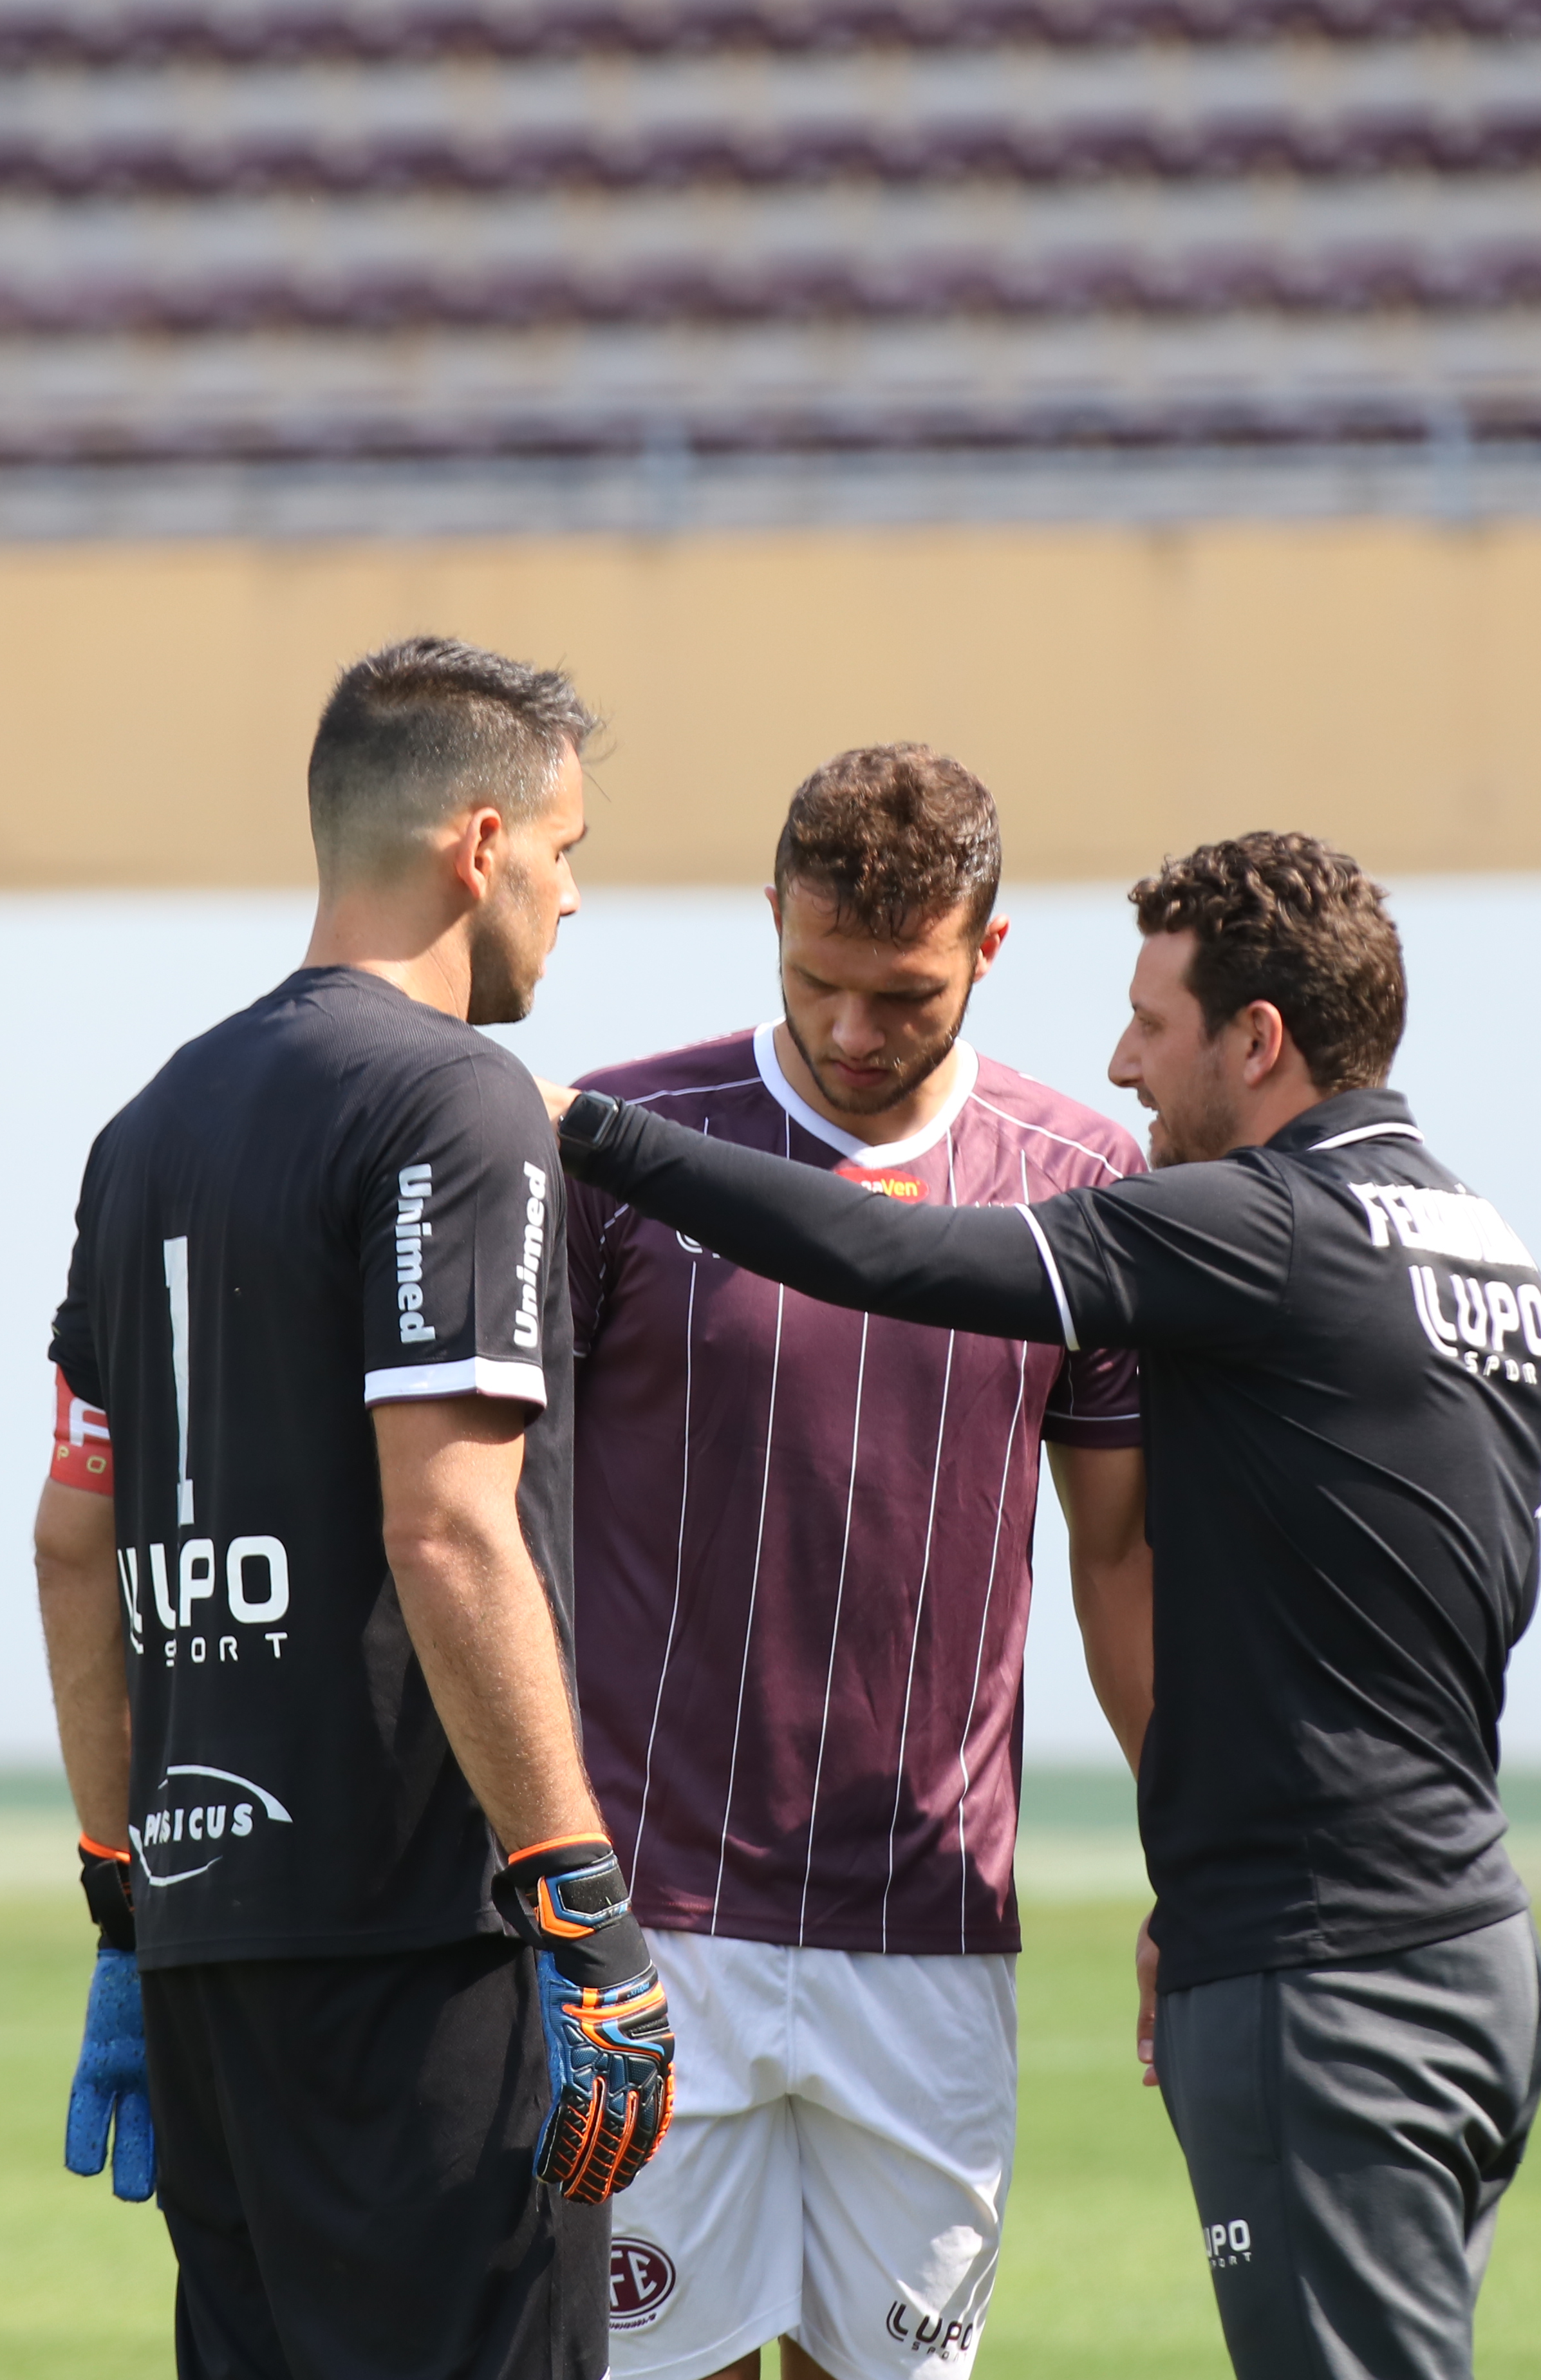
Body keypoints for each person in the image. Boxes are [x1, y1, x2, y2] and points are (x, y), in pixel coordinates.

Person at [544, 832, 1541, 2380]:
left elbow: (890, 1244)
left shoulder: (1253, 1227)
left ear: (1260, 1038)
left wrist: (584, 1128)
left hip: (1313, 1957)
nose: (1123, 1061)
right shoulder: (1488, 1253)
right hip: (1466, 1939)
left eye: (1155, 1022)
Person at [30, 635, 678, 2380]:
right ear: (481, 846)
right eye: (569, 853)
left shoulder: (145, 1126)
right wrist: (582, 1908)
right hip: (426, 1954)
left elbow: (74, 1538)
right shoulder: (456, 1101)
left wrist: (122, 1898)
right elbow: (450, 1528)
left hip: (206, 1949)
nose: (570, 899)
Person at [565, 745, 1154, 2380]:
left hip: (931, 1923)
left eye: (901, 993)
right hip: (654, 1915)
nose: (850, 1031)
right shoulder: (621, 1151)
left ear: (989, 948)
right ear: (768, 919)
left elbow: (1121, 1565)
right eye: (816, 979)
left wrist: (1203, 1862)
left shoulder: (1082, 1190)